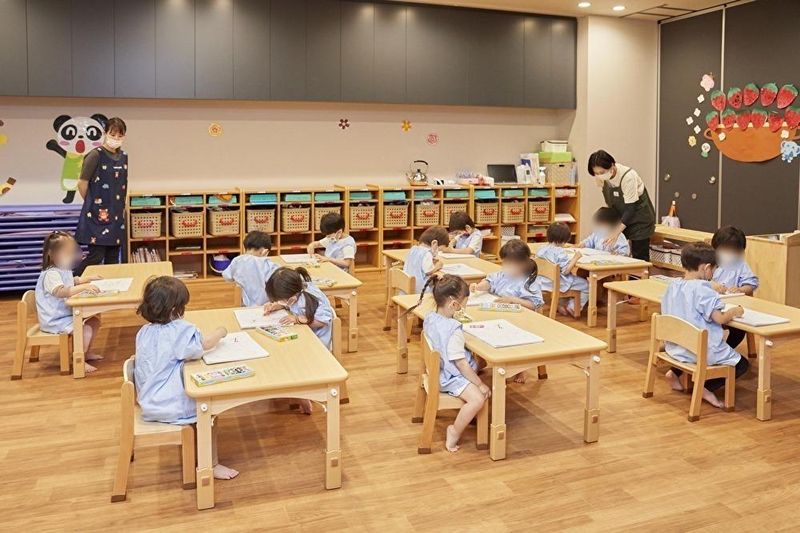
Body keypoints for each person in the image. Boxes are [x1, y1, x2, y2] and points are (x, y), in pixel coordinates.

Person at [133, 276, 238, 479]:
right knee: (210, 412)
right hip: (168, 406)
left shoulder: (144, 331)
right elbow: (205, 345)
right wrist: (221, 332)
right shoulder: (179, 331)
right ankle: (210, 465)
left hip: (148, 399)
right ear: (175, 310)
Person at [661, 242, 749, 408]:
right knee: (742, 365)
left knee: (711, 344)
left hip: (677, 347)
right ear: (706, 268)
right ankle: (705, 387)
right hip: (698, 350)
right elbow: (720, 319)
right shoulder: (703, 290)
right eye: (714, 270)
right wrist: (734, 311)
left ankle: (674, 373)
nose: (713, 274)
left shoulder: (673, 285)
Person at [411, 274, 489, 452]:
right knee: (478, 398)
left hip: (436, 370)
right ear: (454, 304)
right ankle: (454, 431)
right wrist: (480, 384)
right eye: (464, 304)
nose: (464, 308)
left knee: (481, 363)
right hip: (449, 377)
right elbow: (461, 365)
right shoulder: (454, 331)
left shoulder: (430, 317)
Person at [264, 267, 335, 414]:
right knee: (278, 348)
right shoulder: (297, 291)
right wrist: (277, 305)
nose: (280, 301)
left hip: (318, 342)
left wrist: (297, 319)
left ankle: (302, 393)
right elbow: (291, 304)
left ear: (292, 297)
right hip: (304, 335)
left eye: (281, 299)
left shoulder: (311, 297)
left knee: (286, 356)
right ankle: (294, 388)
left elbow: (323, 320)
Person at [35, 231, 103, 374]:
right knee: (84, 328)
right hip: (55, 319)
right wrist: (83, 287)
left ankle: (86, 352)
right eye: (67, 253)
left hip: (65, 314)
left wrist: (86, 279)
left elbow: (71, 281)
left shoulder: (63, 269)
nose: (71, 256)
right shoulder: (51, 274)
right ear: (52, 255)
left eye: (72, 252)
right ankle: (79, 359)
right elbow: (61, 291)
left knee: (94, 321)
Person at [74, 117, 129, 276]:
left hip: (116, 215)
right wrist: (92, 203)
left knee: (113, 257)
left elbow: (123, 183)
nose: (116, 138)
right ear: (105, 133)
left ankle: (109, 286)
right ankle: (71, 281)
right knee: (96, 256)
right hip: (97, 215)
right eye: (113, 135)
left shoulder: (124, 156)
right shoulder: (95, 155)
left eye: (120, 136)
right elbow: (82, 183)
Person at [587, 150, 655, 261]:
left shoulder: (628, 177)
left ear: (612, 165)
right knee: (617, 255)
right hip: (621, 218)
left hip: (639, 219)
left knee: (639, 258)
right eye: (596, 173)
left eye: (602, 172)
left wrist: (616, 232)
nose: (599, 175)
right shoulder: (601, 178)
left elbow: (631, 209)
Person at [710, 225, 759, 351]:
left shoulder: (741, 265)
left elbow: (751, 284)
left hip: (732, 307)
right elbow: (698, 280)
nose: (730, 254)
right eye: (726, 249)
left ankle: (725, 350)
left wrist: (741, 289)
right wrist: (711, 284)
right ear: (715, 248)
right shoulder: (709, 263)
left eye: (735, 251)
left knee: (738, 331)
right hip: (710, 306)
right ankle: (711, 349)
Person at [470, 239, 543, 312]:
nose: (507, 266)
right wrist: (478, 287)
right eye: (505, 262)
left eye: (509, 263)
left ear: (523, 264)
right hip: (501, 311)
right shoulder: (502, 275)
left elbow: (533, 305)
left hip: (519, 315)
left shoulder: (529, 281)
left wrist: (513, 300)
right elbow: (489, 282)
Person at [536, 222, 589, 318]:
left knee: (575, 280)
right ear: (564, 240)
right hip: (557, 283)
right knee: (587, 285)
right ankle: (573, 307)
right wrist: (575, 258)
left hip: (543, 282)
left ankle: (560, 304)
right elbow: (566, 271)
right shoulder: (560, 252)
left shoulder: (541, 248)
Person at [222, 231, 278, 306]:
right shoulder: (268, 264)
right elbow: (278, 281)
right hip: (265, 306)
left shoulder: (237, 260)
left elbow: (227, 277)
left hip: (245, 306)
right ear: (264, 251)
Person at [403, 226, 448, 292]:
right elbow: (428, 272)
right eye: (439, 249)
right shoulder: (427, 253)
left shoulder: (413, 249)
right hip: (419, 289)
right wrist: (438, 266)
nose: (438, 252)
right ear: (434, 243)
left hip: (406, 286)